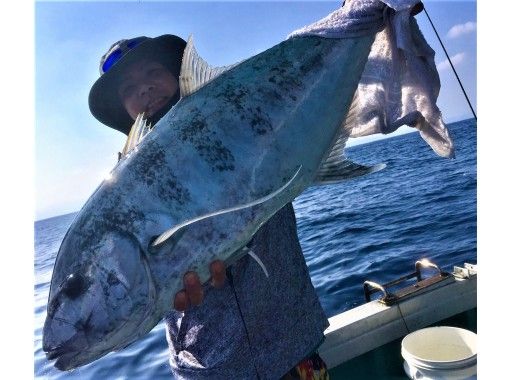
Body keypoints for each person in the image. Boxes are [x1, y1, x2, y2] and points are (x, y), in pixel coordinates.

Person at [88, 35, 330, 379]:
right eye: (128, 88)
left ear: (178, 73)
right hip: (210, 369)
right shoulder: (124, 195)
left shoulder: (248, 118)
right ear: (124, 109)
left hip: (293, 347)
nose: (143, 89)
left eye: (152, 71)